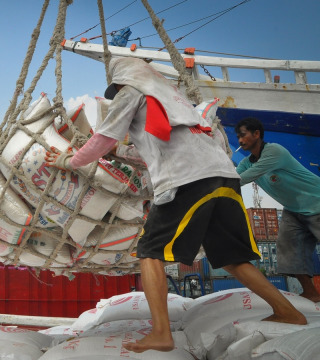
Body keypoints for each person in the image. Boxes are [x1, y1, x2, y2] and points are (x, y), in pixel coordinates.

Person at [45, 57, 307, 353]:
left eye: (116, 87)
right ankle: (288, 312)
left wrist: (69, 160)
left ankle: (161, 333)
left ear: (123, 79)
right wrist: (121, 153)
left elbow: (104, 137)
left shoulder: (131, 93)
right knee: (233, 258)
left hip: (188, 180)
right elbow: (158, 147)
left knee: (149, 251)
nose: (116, 93)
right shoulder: (175, 100)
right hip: (224, 177)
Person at [235, 117, 320, 302]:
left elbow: (241, 178)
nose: (240, 141)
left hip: (316, 202)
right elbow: (232, 176)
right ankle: (311, 293)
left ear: (257, 134)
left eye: (243, 135)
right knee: (288, 247)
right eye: (238, 137)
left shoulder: (274, 151)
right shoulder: (247, 162)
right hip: (293, 209)